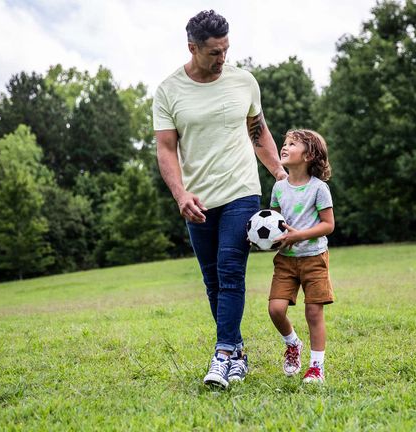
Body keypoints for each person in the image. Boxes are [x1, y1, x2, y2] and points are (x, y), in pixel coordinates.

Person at [153, 10, 287, 388]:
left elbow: (258, 132)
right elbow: (165, 149)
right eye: (214, 52)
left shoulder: (244, 82)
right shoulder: (168, 90)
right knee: (212, 280)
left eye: (226, 49)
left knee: (230, 270)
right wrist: (180, 194)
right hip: (197, 200)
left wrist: (278, 173)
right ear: (192, 48)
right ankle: (238, 353)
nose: (222, 58)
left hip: (241, 190)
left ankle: (223, 353)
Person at [267, 129, 335, 384]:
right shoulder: (278, 188)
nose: (284, 147)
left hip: (314, 258)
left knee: (313, 313)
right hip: (285, 261)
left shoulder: (319, 189)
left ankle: (316, 368)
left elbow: (328, 225)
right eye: (284, 143)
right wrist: (265, 240)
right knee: (275, 309)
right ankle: (292, 343)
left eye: (292, 144)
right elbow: (273, 222)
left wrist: (300, 235)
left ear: (309, 155)